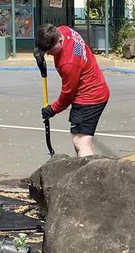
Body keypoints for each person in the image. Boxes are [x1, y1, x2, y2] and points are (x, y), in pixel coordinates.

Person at [35, 22, 110, 157]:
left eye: (51, 51)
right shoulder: (64, 30)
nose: (50, 55)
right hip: (95, 87)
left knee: (80, 142)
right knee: (78, 140)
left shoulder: (68, 63)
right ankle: (82, 171)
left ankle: (88, 176)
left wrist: (53, 109)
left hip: (89, 97)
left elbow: (68, 94)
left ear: (60, 40)